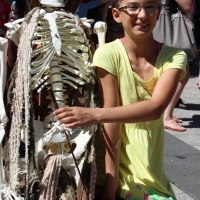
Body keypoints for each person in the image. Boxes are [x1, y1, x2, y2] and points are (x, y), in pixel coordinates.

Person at [54, 0, 187, 199]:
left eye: (150, 7)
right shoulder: (108, 54)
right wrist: (111, 181)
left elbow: (155, 108)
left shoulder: (174, 56)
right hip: (115, 164)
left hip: (151, 169)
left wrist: (94, 115)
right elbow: (112, 122)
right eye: (133, 7)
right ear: (116, 14)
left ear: (158, 13)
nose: (142, 15)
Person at [163, 0, 195, 132]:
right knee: (181, 75)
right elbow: (187, 6)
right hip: (169, 30)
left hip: (161, 28)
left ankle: (165, 114)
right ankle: (166, 116)